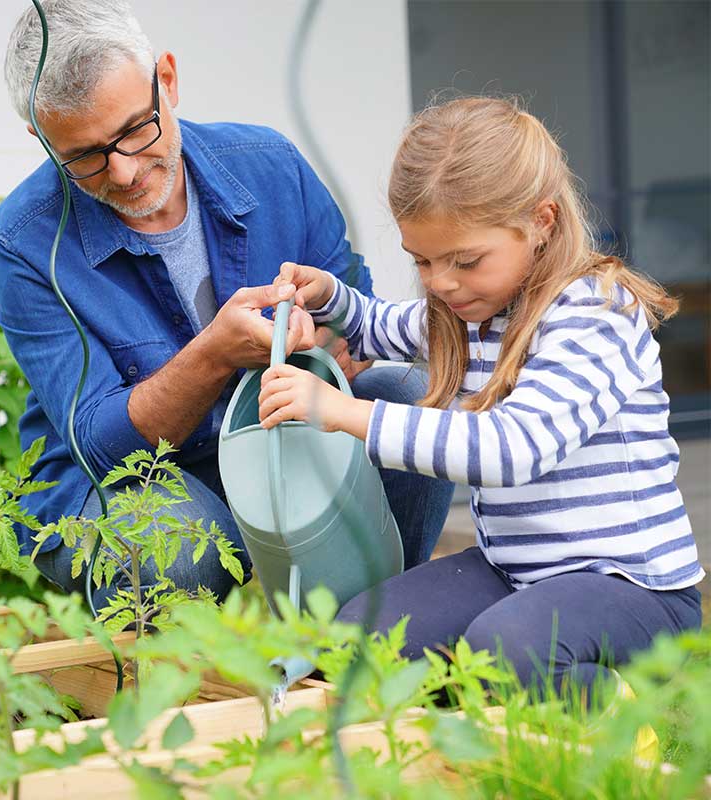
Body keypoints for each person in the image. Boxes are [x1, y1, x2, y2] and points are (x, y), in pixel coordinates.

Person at [0, 0, 453, 612]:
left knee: (411, 398)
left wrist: (324, 343)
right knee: (180, 543)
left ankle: (373, 627)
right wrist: (213, 355)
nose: (124, 172)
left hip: (277, 441)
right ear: (43, 141)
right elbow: (103, 449)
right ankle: (177, 686)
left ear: (168, 81)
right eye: (85, 157)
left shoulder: (270, 167)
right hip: (121, 482)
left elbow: (355, 324)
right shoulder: (25, 241)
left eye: (135, 130)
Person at [261, 96, 704, 699]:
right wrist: (328, 297)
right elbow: (377, 324)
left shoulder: (597, 314)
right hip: (516, 573)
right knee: (356, 644)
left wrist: (344, 412)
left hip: (631, 589)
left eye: (465, 260)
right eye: (422, 261)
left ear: (541, 221)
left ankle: (622, 709)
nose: (441, 282)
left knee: (506, 651)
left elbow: (510, 449)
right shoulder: (467, 309)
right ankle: (489, 705)